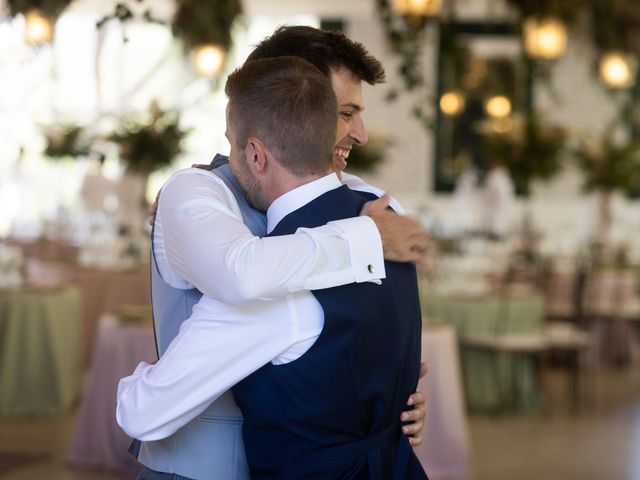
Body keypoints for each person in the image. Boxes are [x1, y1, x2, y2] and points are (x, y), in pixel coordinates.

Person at [118, 27, 429, 480]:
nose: (358, 133)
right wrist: (367, 237)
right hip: (202, 468)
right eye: (343, 113)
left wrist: (388, 405)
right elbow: (242, 274)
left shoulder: (365, 201)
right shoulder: (198, 193)